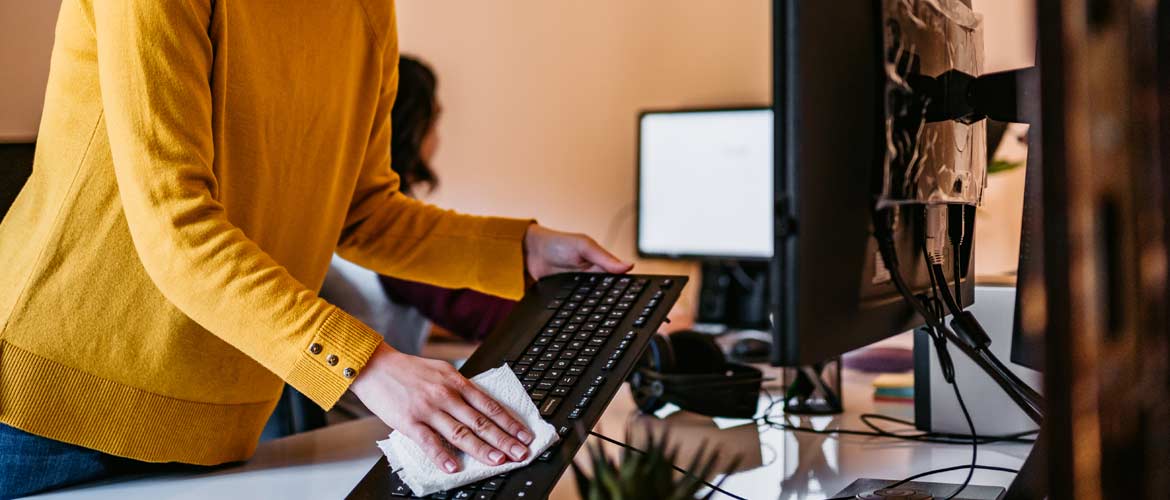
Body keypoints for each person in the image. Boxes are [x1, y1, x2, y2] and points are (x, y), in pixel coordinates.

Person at [0, 2, 631, 497]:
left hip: (219, 420)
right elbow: (176, 223)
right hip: (48, 400)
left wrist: (522, 249)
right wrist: (371, 366)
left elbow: (363, 213)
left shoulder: (364, 9)